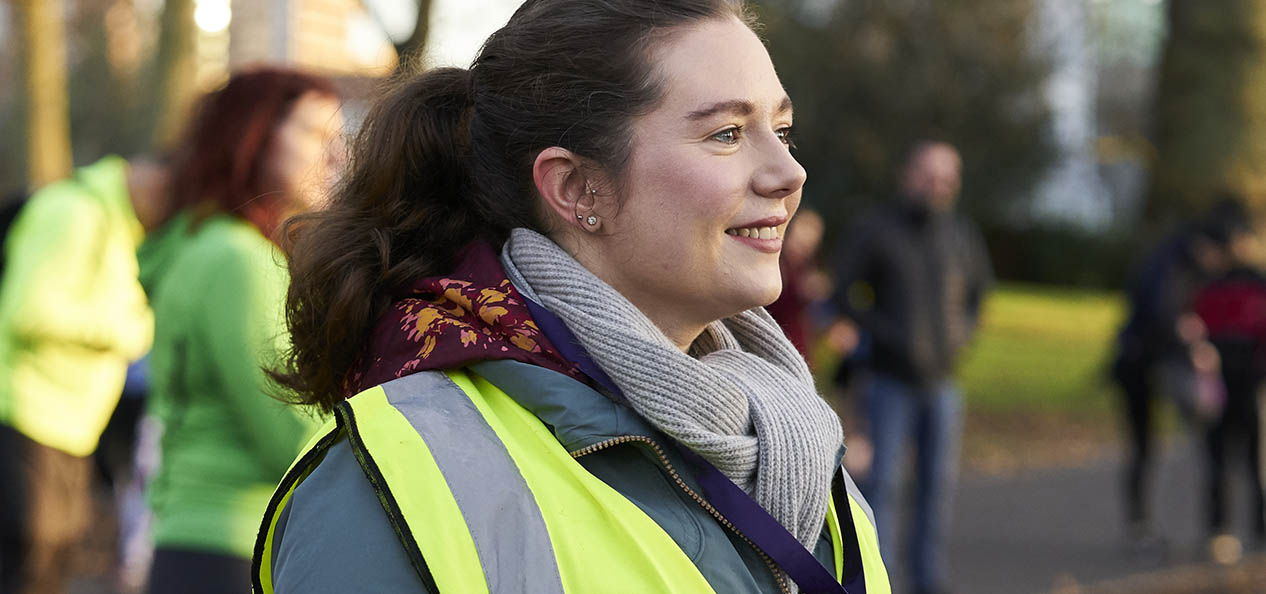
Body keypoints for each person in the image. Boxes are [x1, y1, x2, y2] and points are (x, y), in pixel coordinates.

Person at [253, 2, 890, 593]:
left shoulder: (793, 433)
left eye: (782, 131)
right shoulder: (389, 485)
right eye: (726, 133)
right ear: (578, 188)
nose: (789, 173)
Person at [144, 68, 344, 593]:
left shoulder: (200, 242)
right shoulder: (238, 261)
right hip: (233, 544)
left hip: (196, 539)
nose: (335, 158)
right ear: (253, 135)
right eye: (315, 135)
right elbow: (292, 435)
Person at [0, 154, 170, 594]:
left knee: (49, 571)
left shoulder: (118, 227)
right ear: (155, 183)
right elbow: (29, 309)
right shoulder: (75, 211)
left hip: (67, 429)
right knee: (26, 570)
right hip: (25, 416)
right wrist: (124, 330)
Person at [831, 140, 992, 594]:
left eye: (946, 177)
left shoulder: (962, 235)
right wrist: (881, 335)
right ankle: (877, 583)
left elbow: (980, 294)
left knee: (935, 490)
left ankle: (927, 582)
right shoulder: (875, 229)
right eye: (928, 174)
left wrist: (962, 337)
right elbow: (844, 292)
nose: (937, 185)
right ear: (908, 175)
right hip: (887, 382)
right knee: (879, 488)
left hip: (943, 385)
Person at [1111, 201, 1242, 551]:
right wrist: (1192, 346)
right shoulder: (1173, 265)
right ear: (1207, 247)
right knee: (1148, 447)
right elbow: (1161, 315)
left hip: (1149, 362)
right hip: (1143, 364)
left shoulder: (1174, 259)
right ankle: (1142, 529)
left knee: (1156, 446)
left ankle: (1158, 527)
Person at [1192, 218, 1266, 563]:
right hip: (1217, 388)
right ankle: (1218, 530)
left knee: (1254, 462)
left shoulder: (1259, 284)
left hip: (1249, 386)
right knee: (1217, 461)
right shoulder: (1210, 285)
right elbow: (1197, 330)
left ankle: (1259, 528)